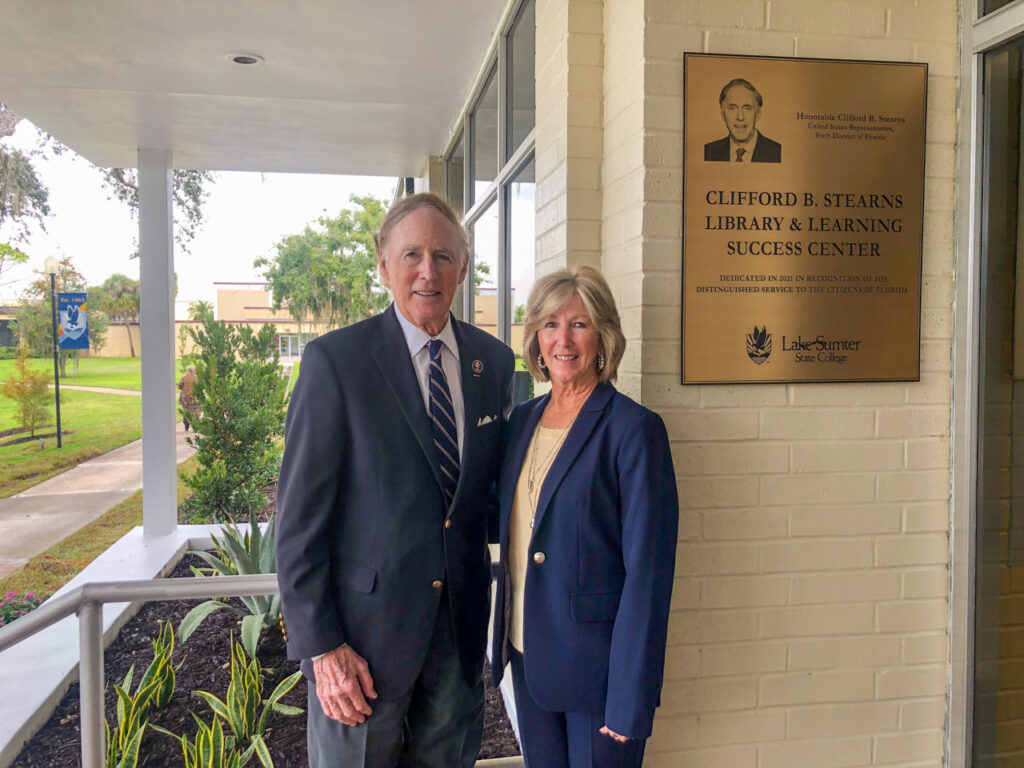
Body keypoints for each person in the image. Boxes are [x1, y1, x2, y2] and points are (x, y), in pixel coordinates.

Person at [275, 193, 514, 768]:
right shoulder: (337, 362)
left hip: (457, 643)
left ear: (462, 266)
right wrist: (324, 647)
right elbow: (298, 521)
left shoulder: (494, 363)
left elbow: (480, 498)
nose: (427, 271)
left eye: (443, 255)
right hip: (361, 650)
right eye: (411, 255)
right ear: (384, 264)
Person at [491, 266, 678, 767]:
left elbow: (648, 575)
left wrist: (628, 699)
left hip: (599, 680)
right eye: (550, 325)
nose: (563, 340)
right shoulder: (521, 422)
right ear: (535, 338)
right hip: (528, 663)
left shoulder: (634, 431)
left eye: (579, 324)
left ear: (603, 338)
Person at [704, 77, 782, 162]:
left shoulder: (777, 153)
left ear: (758, 114)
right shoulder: (709, 152)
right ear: (723, 114)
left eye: (747, 108)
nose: (740, 117)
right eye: (732, 108)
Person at [177, 365, 200, 432]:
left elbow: (179, 386)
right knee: (195, 411)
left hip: (185, 398)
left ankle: (186, 426)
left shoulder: (184, 377)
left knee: (186, 411)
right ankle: (195, 427)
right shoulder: (197, 378)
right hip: (194, 397)